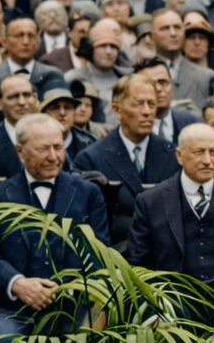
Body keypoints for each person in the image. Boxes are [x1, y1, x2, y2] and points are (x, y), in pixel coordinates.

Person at [0, 114, 109, 337]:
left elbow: (100, 253)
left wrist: (65, 288)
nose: (53, 157)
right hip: (14, 308)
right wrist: (18, 284)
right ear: (20, 152)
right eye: (43, 149)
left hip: (73, 306)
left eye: (58, 147)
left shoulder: (88, 193)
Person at [128, 124, 214, 327]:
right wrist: (158, 303)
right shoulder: (150, 201)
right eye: (198, 152)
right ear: (179, 155)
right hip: (172, 302)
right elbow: (138, 264)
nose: (207, 161)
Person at [73, 75, 181, 244]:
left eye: (151, 104)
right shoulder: (90, 158)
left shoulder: (174, 154)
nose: (147, 112)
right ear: (116, 110)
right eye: (138, 104)